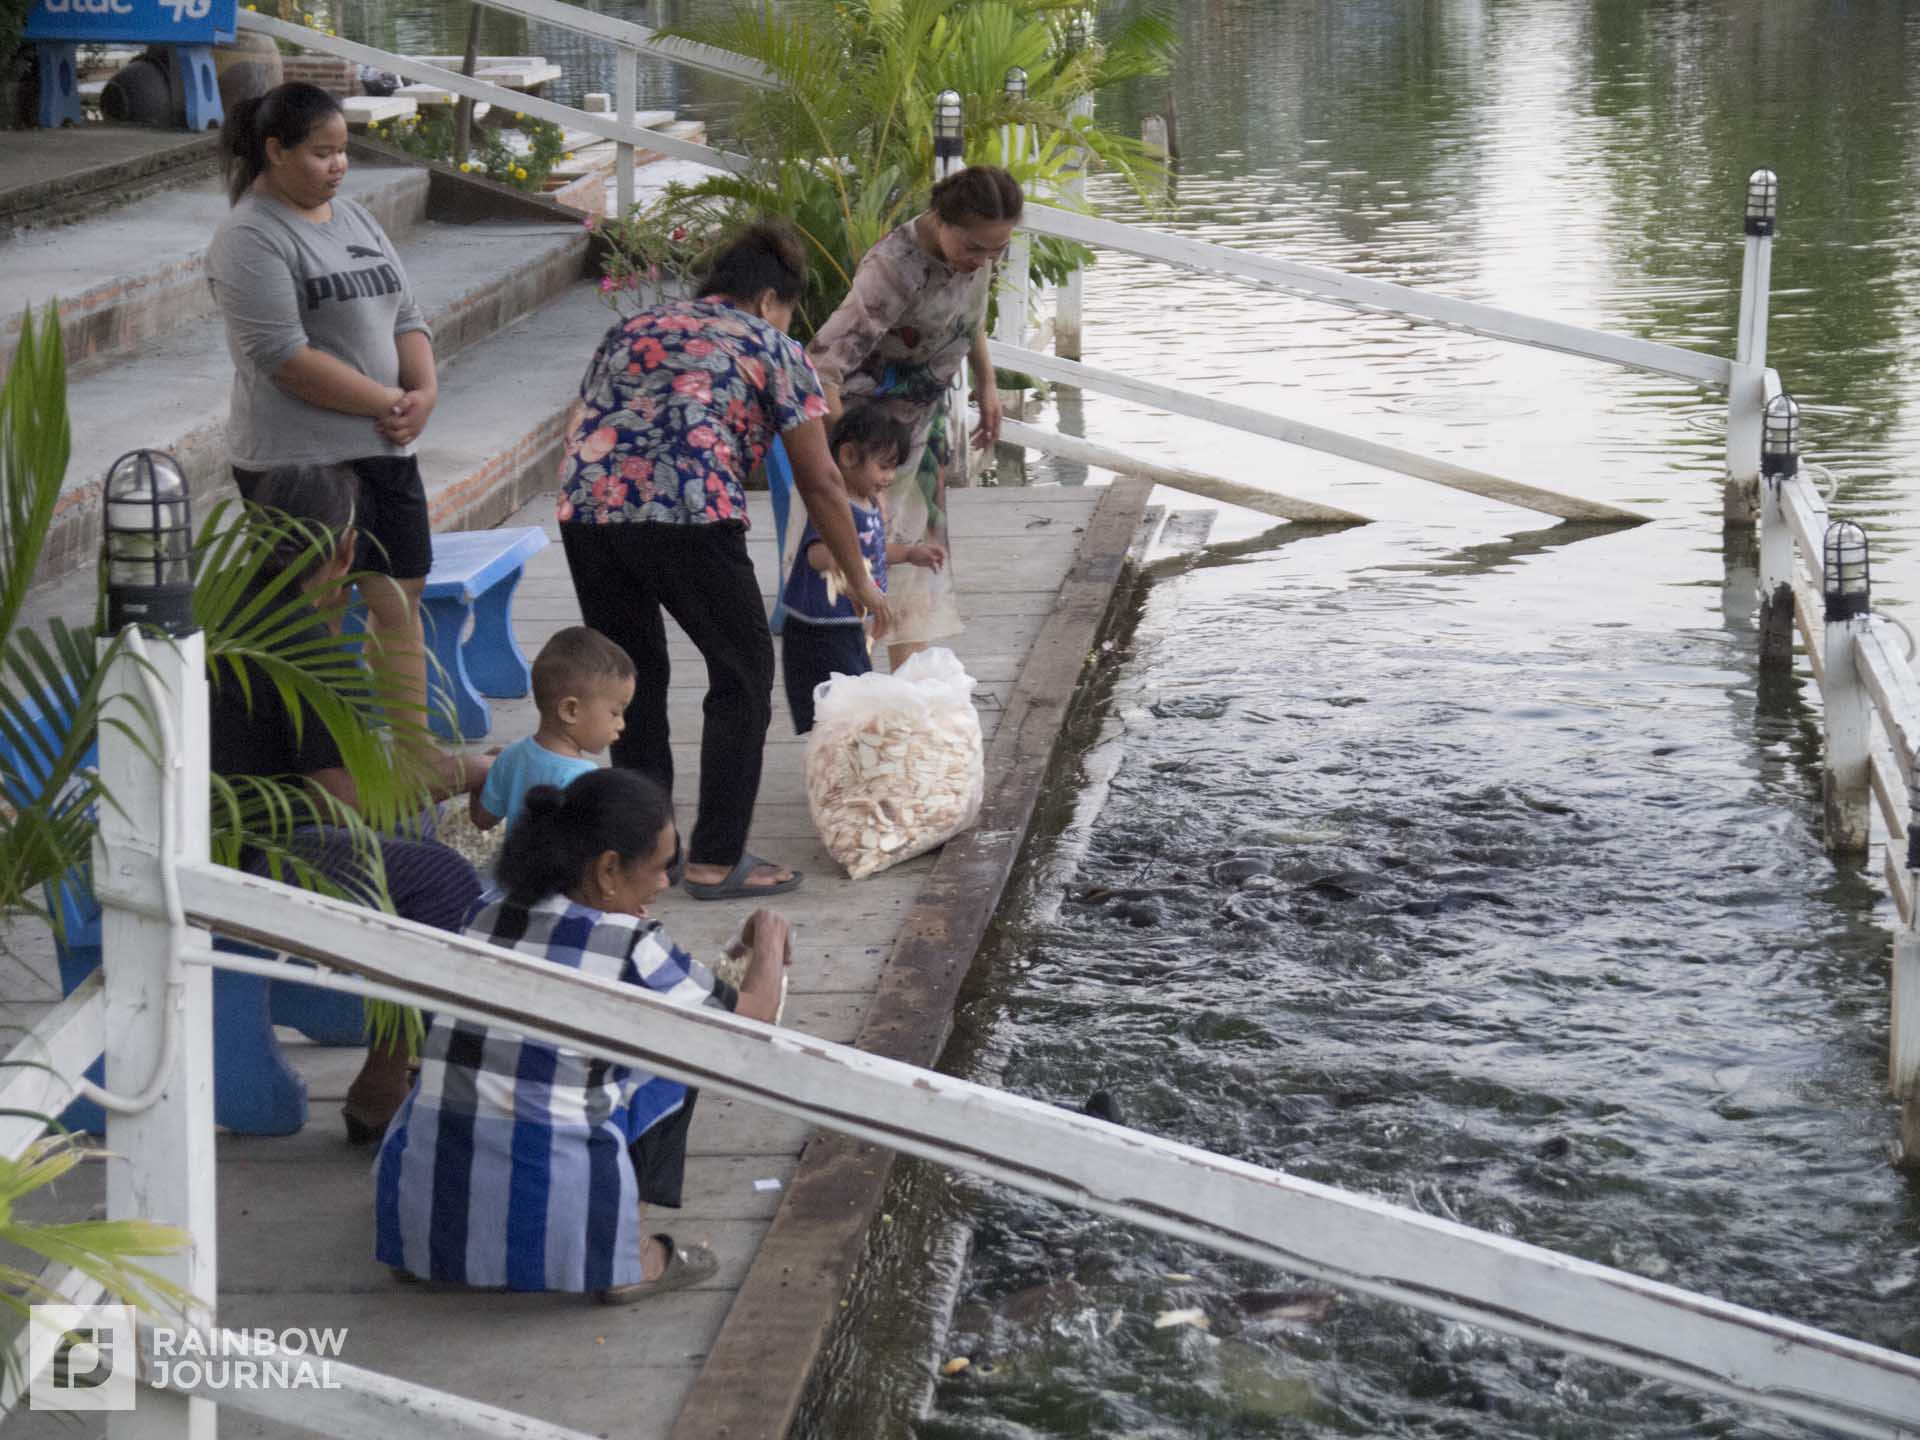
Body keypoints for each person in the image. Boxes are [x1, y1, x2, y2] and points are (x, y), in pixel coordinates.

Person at [557, 221, 892, 902]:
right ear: (770, 299)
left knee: (632, 680)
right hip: (690, 511)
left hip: (589, 510)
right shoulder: (771, 344)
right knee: (742, 674)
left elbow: (581, 424)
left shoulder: (632, 328)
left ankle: (646, 855)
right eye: (787, 310)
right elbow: (822, 480)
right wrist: (860, 579)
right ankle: (715, 859)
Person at [374, 768, 792, 1300]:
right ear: (608, 869)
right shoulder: (632, 942)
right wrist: (769, 935)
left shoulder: (484, 912)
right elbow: (753, 1020)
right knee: (682, 1051)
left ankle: (439, 1241)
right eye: (661, 868)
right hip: (552, 1197)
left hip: (424, 1220)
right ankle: (630, 1254)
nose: (666, 884)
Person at [215, 464, 491, 1142]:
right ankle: (394, 1083)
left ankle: (390, 1070)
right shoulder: (300, 639)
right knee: (446, 882)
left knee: (421, 844)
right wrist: (470, 773)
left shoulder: (225, 604)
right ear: (344, 550)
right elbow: (340, 803)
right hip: (251, 853)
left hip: (209, 827)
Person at [210, 81, 439, 724]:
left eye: (343, 152)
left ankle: (412, 755)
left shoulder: (355, 217)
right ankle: (321, 757)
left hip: (384, 446)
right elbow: (284, 357)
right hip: (299, 459)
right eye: (321, 153)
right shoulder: (250, 236)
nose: (338, 165)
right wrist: (390, 401)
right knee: (316, 606)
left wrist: (424, 392)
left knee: (400, 594)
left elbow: (406, 314)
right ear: (275, 150)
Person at [807, 165, 1023, 670]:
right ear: (941, 219)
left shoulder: (975, 252)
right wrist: (852, 464)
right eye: (975, 248)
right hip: (864, 439)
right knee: (856, 574)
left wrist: (987, 383)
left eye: (997, 250)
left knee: (915, 569)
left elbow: (970, 315)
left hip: (920, 428)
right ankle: (850, 688)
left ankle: (910, 687)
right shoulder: (892, 272)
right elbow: (820, 366)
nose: (983, 261)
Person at [779, 408, 945, 735]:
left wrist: (910, 553)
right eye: (883, 467)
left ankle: (846, 754)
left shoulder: (867, 504)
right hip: (821, 628)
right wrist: (852, 576)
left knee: (854, 700)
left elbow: (874, 550)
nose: (889, 477)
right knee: (845, 704)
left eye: (893, 468)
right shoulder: (834, 509)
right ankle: (841, 755)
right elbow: (817, 554)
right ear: (849, 456)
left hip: (850, 623)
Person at [471, 626, 634, 834]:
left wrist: (479, 782)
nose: (622, 724)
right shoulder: (585, 781)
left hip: (516, 856)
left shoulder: (510, 756)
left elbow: (482, 820)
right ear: (570, 710)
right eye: (615, 713)